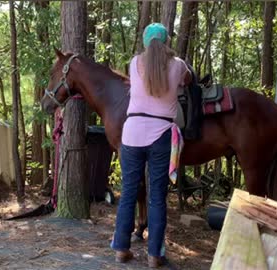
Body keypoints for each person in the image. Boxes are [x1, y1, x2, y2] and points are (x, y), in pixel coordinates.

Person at [111, 23, 191, 268]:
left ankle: (121, 249)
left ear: (146, 42)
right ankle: (155, 254)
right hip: (161, 134)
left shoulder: (134, 63)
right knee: (157, 196)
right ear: (166, 41)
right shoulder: (178, 65)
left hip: (132, 133)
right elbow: (189, 80)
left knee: (128, 193)